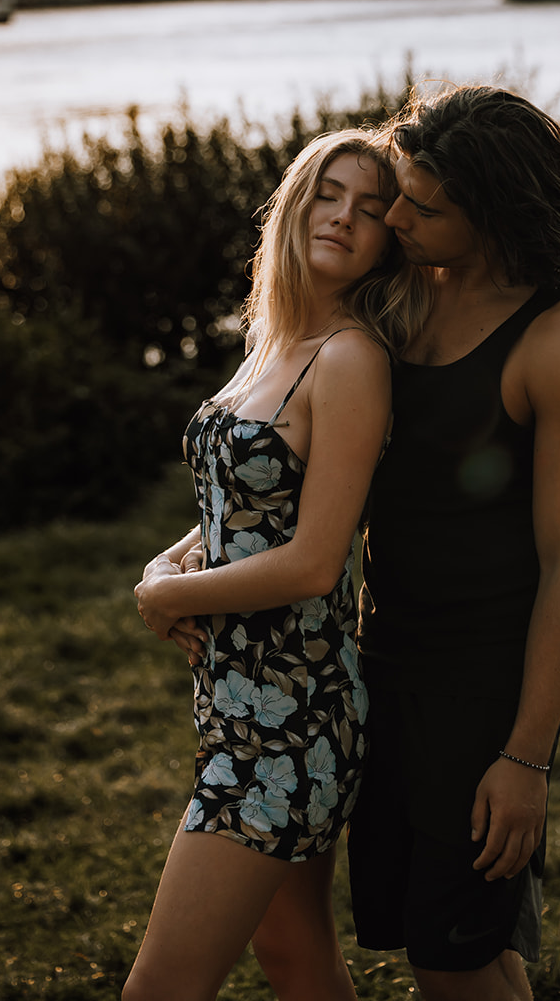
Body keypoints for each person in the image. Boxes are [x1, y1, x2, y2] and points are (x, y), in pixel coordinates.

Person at [125, 128, 429, 1001]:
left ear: (386, 243)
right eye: (329, 194)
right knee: (295, 965)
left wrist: (165, 597)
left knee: (159, 990)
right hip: (234, 704)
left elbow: (310, 560)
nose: (343, 218)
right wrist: (172, 558)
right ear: (296, 200)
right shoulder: (274, 341)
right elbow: (241, 504)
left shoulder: (350, 358)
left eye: (371, 211)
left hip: (291, 724)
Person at [348, 85, 560, 1001]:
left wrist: (525, 758)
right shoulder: (399, 290)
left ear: (496, 215)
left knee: (451, 957)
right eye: (400, 192)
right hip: (378, 665)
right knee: (458, 949)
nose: (393, 217)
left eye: (422, 207)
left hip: (481, 697)